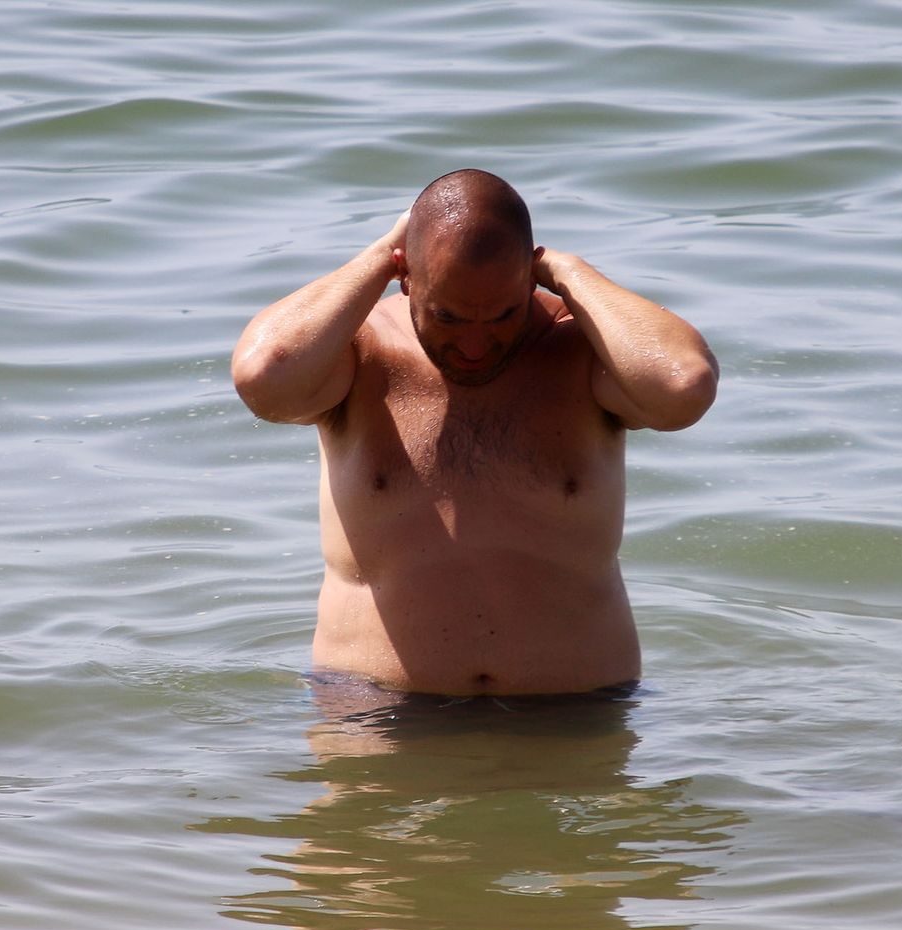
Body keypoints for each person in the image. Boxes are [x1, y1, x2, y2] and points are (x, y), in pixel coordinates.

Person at [231, 169, 717, 696]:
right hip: (374, 712)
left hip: (577, 713)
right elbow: (264, 380)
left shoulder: (580, 355)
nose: (476, 346)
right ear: (406, 277)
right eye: (449, 317)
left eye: (504, 315)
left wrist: (573, 274)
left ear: (532, 279)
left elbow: (682, 388)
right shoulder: (359, 353)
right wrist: (378, 258)